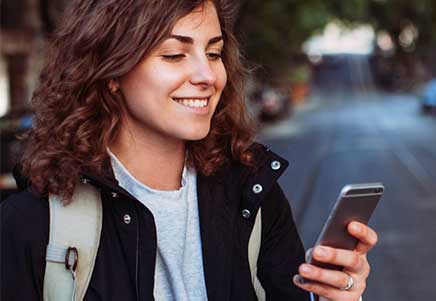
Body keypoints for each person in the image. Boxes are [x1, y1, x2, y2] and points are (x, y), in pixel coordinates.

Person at [0, 0, 378, 300]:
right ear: (112, 73)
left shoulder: (253, 192)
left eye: (213, 53)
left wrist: (329, 297)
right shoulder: (31, 225)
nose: (207, 76)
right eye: (173, 55)